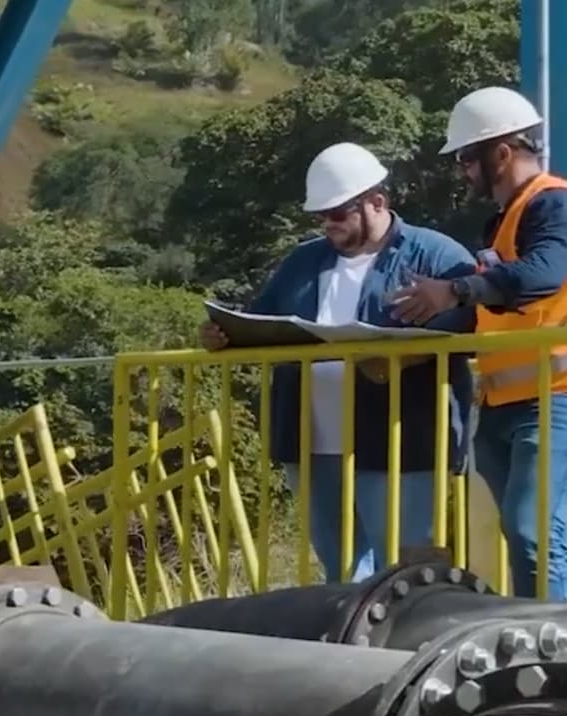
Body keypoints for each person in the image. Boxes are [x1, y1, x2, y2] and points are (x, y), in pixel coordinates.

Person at [389, 85, 567, 601]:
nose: (463, 170)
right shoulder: (511, 220)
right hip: (509, 401)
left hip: (564, 396)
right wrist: (405, 340)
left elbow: (542, 276)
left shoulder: (563, 204)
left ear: (501, 153)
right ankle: (536, 631)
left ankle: (557, 643)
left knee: (534, 530)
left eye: (467, 158)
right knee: (521, 533)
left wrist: (455, 288)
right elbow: (494, 308)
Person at [201, 142, 478, 582]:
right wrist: (225, 336)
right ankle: (354, 646)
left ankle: (404, 644)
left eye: (338, 213)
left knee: (405, 569)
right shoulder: (304, 261)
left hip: (399, 441)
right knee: (340, 567)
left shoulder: (436, 255)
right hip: (313, 442)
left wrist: (399, 360)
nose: (327, 224)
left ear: (376, 202)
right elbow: (262, 318)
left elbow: (471, 326)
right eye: (321, 216)